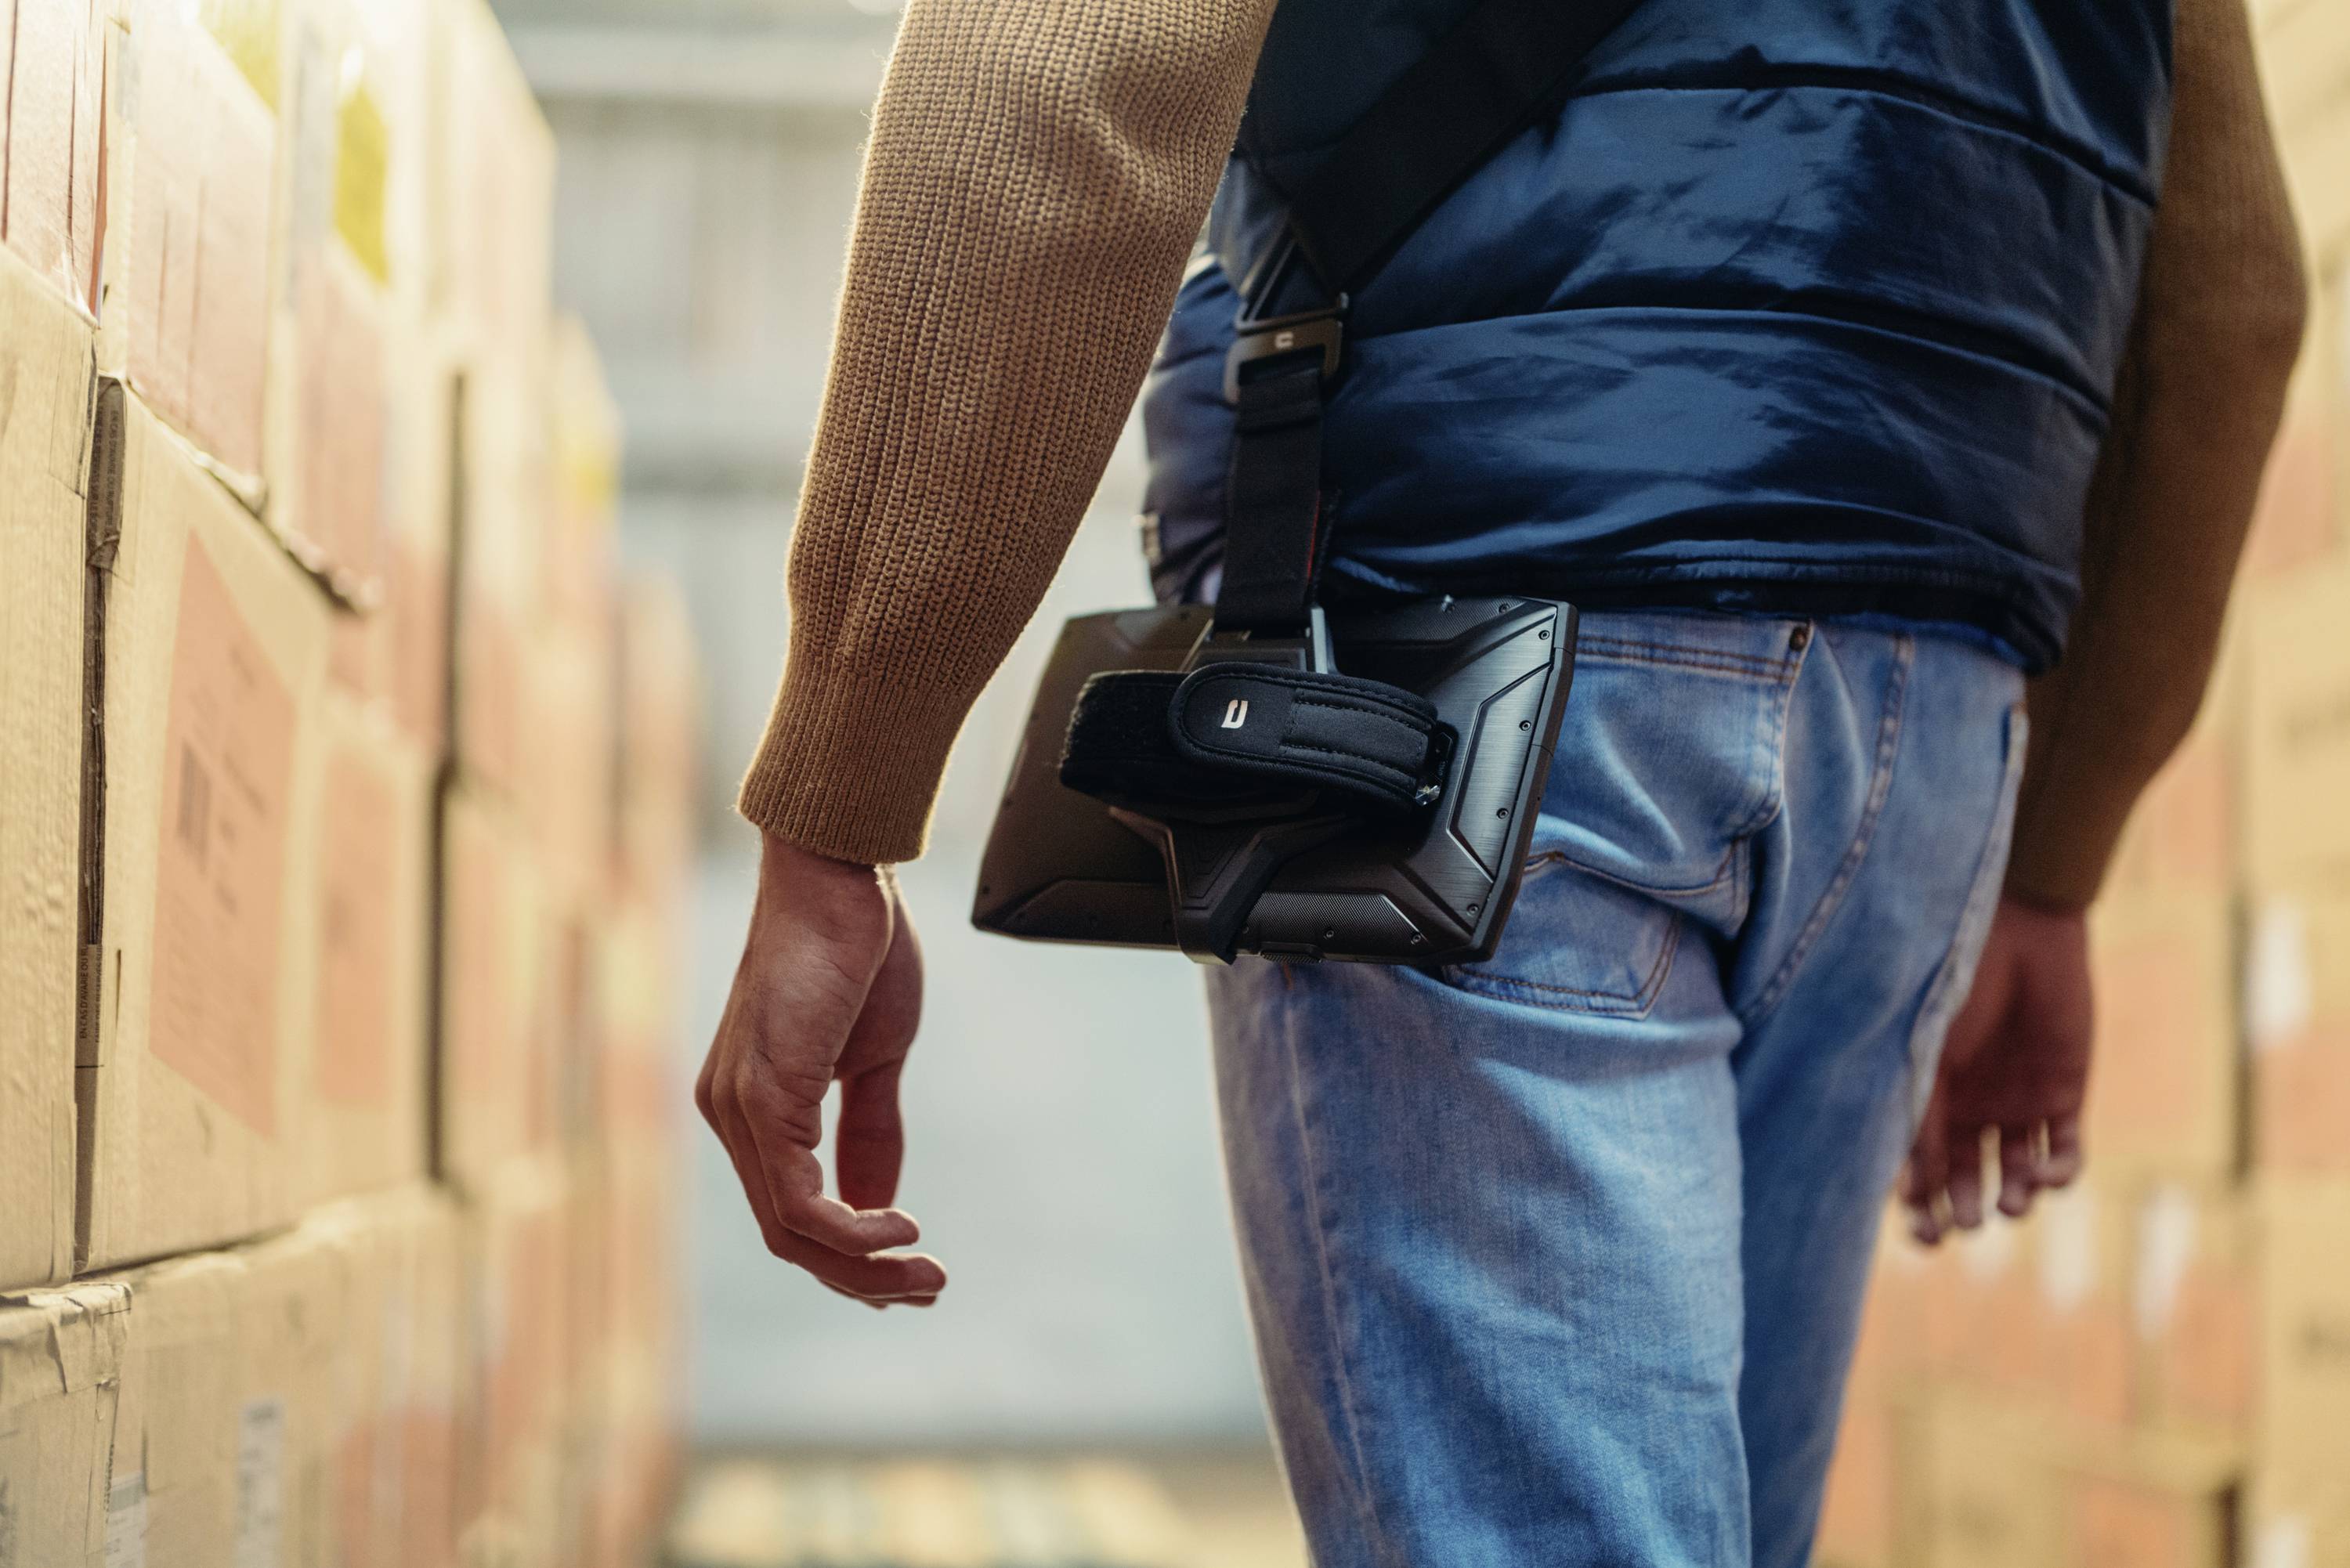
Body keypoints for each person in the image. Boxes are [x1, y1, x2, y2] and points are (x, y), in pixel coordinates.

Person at [696, 0, 2305, 1560]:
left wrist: (843, 790)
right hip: (1924, 725)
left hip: (1477, 698)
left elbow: (1061, 70)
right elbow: (2232, 297)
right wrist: (2056, 856)